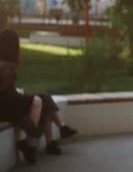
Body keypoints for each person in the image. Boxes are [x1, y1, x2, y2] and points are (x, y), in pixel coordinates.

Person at [0, 28, 77, 164]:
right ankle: (35, 141)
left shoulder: (5, 64)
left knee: (43, 99)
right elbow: (6, 92)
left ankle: (48, 141)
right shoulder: (6, 66)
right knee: (39, 101)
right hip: (8, 106)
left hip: (7, 104)